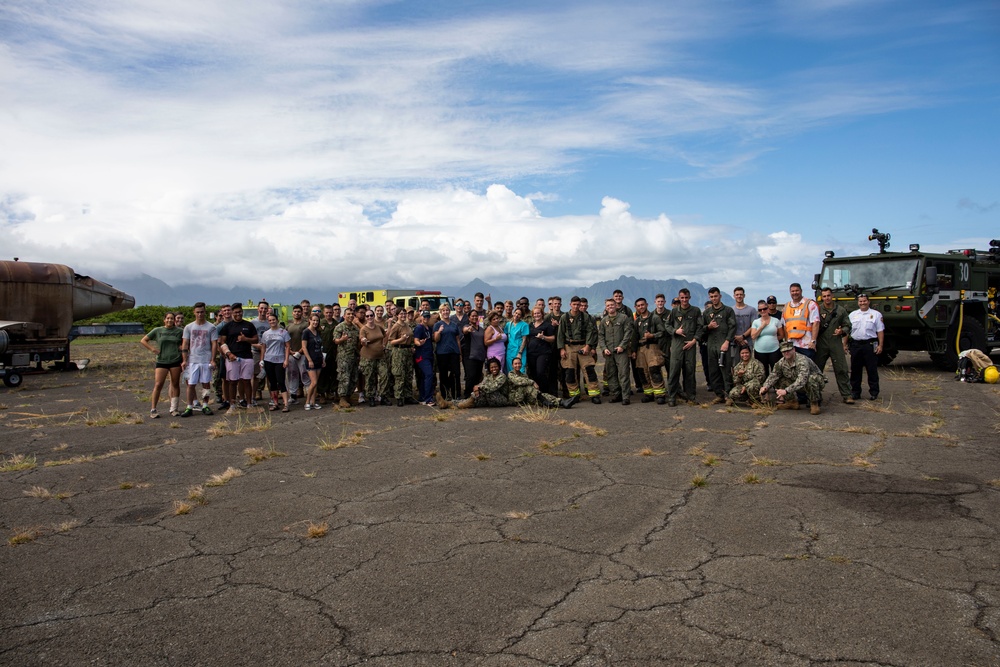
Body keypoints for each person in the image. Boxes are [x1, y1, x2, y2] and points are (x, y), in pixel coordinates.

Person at [759, 340, 826, 414]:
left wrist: (786, 391)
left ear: (794, 349)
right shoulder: (781, 362)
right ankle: (791, 402)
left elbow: (803, 379)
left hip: (814, 382)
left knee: (811, 379)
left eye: (788, 350)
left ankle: (814, 403)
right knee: (778, 378)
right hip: (797, 381)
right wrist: (765, 387)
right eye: (784, 352)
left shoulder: (802, 360)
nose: (786, 353)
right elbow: (774, 375)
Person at [556, 296, 600, 407]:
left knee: (589, 370)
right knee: (570, 372)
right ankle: (574, 395)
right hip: (569, 347)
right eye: (574, 304)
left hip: (583, 346)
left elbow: (591, 332)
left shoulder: (586, 317)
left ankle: (594, 394)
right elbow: (560, 334)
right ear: (570, 304)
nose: (576, 307)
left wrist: (588, 346)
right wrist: (561, 349)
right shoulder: (564, 317)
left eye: (578, 305)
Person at [663, 289, 703, 406]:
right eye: (682, 298)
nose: (684, 300)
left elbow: (700, 327)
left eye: (686, 298)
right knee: (674, 371)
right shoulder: (675, 311)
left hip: (690, 345)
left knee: (690, 371)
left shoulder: (695, 311)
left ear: (689, 297)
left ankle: (691, 396)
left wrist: (694, 340)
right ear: (679, 298)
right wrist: (676, 331)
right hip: (677, 345)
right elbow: (667, 325)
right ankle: (672, 397)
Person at [140, 312, 184, 418]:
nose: (169, 320)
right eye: (167, 318)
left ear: (174, 320)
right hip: (162, 361)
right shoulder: (157, 330)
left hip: (175, 360)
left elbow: (187, 342)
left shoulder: (180, 331)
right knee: (158, 384)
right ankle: (153, 409)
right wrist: (153, 349)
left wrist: (182, 347)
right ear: (164, 320)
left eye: (172, 318)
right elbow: (143, 340)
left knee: (175, 384)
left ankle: (174, 408)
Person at [218, 303, 259, 415]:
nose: (238, 314)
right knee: (232, 381)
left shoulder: (249, 325)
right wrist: (228, 354)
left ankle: (249, 404)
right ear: (232, 313)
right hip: (232, 358)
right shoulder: (227, 327)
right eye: (235, 312)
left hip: (247, 357)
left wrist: (246, 339)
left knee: (246, 381)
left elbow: (256, 339)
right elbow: (222, 342)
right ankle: (232, 405)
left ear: (242, 312)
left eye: (240, 312)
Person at [816, 287, 854, 405]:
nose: (827, 298)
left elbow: (848, 325)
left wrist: (842, 331)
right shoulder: (817, 309)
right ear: (822, 297)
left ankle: (847, 395)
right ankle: (815, 396)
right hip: (821, 343)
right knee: (817, 370)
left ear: (832, 296)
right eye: (824, 296)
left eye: (828, 295)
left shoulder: (841, 310)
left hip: (835, 343)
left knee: (841, 369)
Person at [180, 302, 218, 418]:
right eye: (198, 312)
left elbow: (214, 344)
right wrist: (184, 360)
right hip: (193, 360)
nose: (200, 314)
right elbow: (185, 344)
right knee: (191, 384)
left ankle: (205, 405)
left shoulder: (211, 327)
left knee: (206, 383)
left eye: (202, 312)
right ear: (194, 313)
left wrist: (213, 359)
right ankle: (189, 407)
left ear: (205, 312)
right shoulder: (189, 327)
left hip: (205, 359)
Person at [702, 287, 737, 404]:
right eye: (711, 297)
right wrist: (708, 327)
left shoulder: (728, 311)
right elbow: (701, 329)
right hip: (711, 346)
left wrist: (727, 341)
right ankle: (719, 394)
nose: (714, 299)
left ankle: (728, 395)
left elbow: (732, 327)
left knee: (725, 370)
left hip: (723, 345)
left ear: (720, 296)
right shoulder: (707, 313)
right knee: (713, 371)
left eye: (715, 296)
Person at [848, 293, 885, 401]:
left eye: (864, 301)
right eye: (860, 301)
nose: (862, 303)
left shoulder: (876, 315)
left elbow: (880, 331)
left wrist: (880, 345)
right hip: (855, 345)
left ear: (868, 302)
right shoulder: (852, 315)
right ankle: (855, 392)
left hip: (870, 344)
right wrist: (844, 344)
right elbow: (847, 331)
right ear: (858, 303)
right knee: (855, 370)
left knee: (871, 369)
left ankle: (874, 392)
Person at [598, 298, 634, 405]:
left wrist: (622, 346)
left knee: (623, 374)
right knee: (611, 374)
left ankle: (625, 397)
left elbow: (628, 333)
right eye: (608, 306)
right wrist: (604, 349)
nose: (610, 307)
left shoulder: (623, 318)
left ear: (615, 306)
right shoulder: (604, 321)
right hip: (609, 352)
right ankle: (616, 394)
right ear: (606, 307)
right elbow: (601, 336)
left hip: (621, 351)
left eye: (612, 305)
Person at [633, 297, 667, 404]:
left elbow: (662, 332)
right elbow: (634, 337)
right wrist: (633, 351)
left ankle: (660, 394)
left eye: (642, 305)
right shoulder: (637, 321)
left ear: (647, 305)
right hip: (640, 349)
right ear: (636, 307)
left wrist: (652, 335)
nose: (641, 307)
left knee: (654, 370)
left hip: (652, 347)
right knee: (642, 372)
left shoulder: (655, 318)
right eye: (638, 306)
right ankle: (648, 393)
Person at [260, 313, 291, 412]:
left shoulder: (283, 332)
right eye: (270, 320)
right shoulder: (266, 334)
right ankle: (275, 402)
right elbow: (263, 347)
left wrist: (286, 359)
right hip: (268, 359)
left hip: (280, 360)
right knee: (272, 382)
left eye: (273, 320)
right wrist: (262, 360)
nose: (272, 322)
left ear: (277, 320)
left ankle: (286, 404)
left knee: (281, 381)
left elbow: (287, 346)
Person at [358, 309, 388, 407]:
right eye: (367, 316)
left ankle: (383, 396)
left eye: (371, 315)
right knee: (370, 377)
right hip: (368, 357)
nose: (369, 317)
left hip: (380, 356)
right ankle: (370, 397)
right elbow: (362, 339)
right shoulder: (364, 329)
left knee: (384, 375)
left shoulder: (379, 327)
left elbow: (385, 335)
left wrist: (384, 344)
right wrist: (364, 341)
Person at [433, 304, 462, 401]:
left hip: (454, 352)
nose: (445, 312)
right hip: (442, 353)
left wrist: (460, 352)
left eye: (447, 310)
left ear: (449, 311)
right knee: (443, 374)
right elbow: (436, 339)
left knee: (456, 373)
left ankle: (456, 394)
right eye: (443, 310)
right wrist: (439, 331)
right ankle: (444, 395)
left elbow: (457, 339)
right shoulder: (438, 325)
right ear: (440, 312)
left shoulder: (454, 325)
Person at [386, 308, 416, 406]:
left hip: (407, 351)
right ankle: (399, 396)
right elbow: (391, 341)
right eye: (401, 314)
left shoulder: (407, 325)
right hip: (399, 351)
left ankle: (408, 395)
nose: (403, 315)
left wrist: (411, 347)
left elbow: (411, 338)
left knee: (408, 374)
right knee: (399, 374)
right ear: (398, 315)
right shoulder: (396, 326)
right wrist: (401, 339)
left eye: (404, 314)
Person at [333, 308, 361, 408]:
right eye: (348, 314)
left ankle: (349, 396)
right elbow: (336, 341)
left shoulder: (355, 328)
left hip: (354, 357)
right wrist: (342, 339)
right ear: (344, 316)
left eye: (352, 314)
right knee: (344, 378)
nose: (350, 316)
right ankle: (342, 398)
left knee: (353, 378)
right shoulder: (339, 327)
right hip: (343, 357)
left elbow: (358, 341)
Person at [526, 306, 556, 395]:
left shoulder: (547, 325)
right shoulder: (530, 325)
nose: (536, 315)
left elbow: (553, 338)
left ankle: (545, 392)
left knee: (540, 372)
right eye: (535, 313)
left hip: (543, 353)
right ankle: (536, 394)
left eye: (538, 313)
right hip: (531, 353)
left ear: (542, 314)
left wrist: (543, 337)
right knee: (533, 373)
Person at [750, 299, 782, 377]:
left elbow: (781, 335)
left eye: (764, 309)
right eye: (760, 310)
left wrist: (773, 340)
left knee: (776, 370)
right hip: (760, 351)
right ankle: (764, 387)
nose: (763, 311)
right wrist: (761, 327)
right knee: (763, 371)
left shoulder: (776, 321)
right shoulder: (756, 322)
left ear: (768, 309)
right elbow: (753, 336)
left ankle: (776, 387)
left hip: (774, 350)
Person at [285, 305, 309, 403]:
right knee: (292, 374)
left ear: (302, 312)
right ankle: (293, 395)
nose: (296, 313)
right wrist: (290, 351)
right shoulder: (288, 326)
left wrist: (300, 351)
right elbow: (286, 341)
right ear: (292, 313)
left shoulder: (306, 325)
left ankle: (309, 394)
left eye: (299, 311)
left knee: (305, 373)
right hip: (291, 354)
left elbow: (308, 339)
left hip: (303, 354)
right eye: (295, 311)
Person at [301, 313, 325, 410]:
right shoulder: (306, 332)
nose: (315, 322)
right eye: (313, 320)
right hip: (311, 360)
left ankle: (313, 402)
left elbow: (320, 347)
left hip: (318, 359)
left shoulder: (318, 332)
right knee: (313, 382)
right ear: (310, 320)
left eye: (317, 321)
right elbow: (304, 347)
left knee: (316, 383)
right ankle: (307, 402)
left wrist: (323, 359)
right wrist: (309, 359)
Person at [463, 310, 487, 398]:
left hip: (480, 356)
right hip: (470, 356)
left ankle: (475, 396)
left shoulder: (481, 329)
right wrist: (468, 329)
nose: (474, 317)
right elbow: (464, 330)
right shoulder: (467, 326)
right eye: (472, 316)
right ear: (469, 318)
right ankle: (467, 395)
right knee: (471, 376)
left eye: (476, 316)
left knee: (478, 377)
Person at [413, 311, 435, 405]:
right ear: (421, 317)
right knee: (429, 374)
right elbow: (416, 341)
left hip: (429, 355)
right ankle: (428, 398)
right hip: (421, 356)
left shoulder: (429, 328)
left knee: (424, 376)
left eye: (428, 316)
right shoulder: (419, 328)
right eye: (424, 316)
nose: (426, 318)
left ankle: (423, 396)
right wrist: (419, 343)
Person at [731, 287, 756, 360]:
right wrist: (736, 338)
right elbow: (728, 326)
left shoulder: (751, 310)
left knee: (749, 365)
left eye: (741, 294)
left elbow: (754, 326)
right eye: (737, 294)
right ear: (734, 296)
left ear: (744, 295)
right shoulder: (730, 310)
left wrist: (743, 337)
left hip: (748, 342)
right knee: (734, 366)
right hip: (734, 343)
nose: (739, 296)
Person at [503, 307, 529, 373]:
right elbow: (505, 335)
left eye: (519, 314)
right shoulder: (508, 324)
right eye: (516, 313)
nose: (516, 315)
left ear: (521, 316)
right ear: (513, 313)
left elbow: (524, 339)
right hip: (510, 350)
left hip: (519, 350)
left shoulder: (524, 325)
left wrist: (520, 352)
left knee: (521, 369)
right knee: (510, 370)